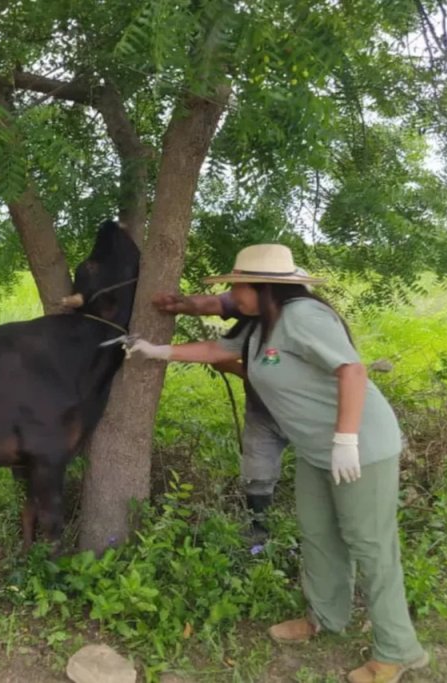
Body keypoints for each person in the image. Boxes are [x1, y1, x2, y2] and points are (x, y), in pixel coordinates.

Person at [130, 245, 428, 683]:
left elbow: (352, 370)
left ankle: (399, 650)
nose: (232, 294)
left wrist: (345, 439)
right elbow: (217, 349)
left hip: (360, 444)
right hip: (315, 449)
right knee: (318, 534)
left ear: (264, 287)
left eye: (237, 285)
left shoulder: (304, 317)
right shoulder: (260, 325)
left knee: (370, 544)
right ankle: (326, 618)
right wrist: (157, 351)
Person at [151, 289, 289, 544]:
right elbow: (217, 305)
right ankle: (259, 533)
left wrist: (234, 367)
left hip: (302, 412)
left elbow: (276, 378)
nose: (237, 295)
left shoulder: (296, 325)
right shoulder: (248, 301)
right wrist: (183, 304)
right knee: (257, 470)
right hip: (262, 410)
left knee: (324, 468)